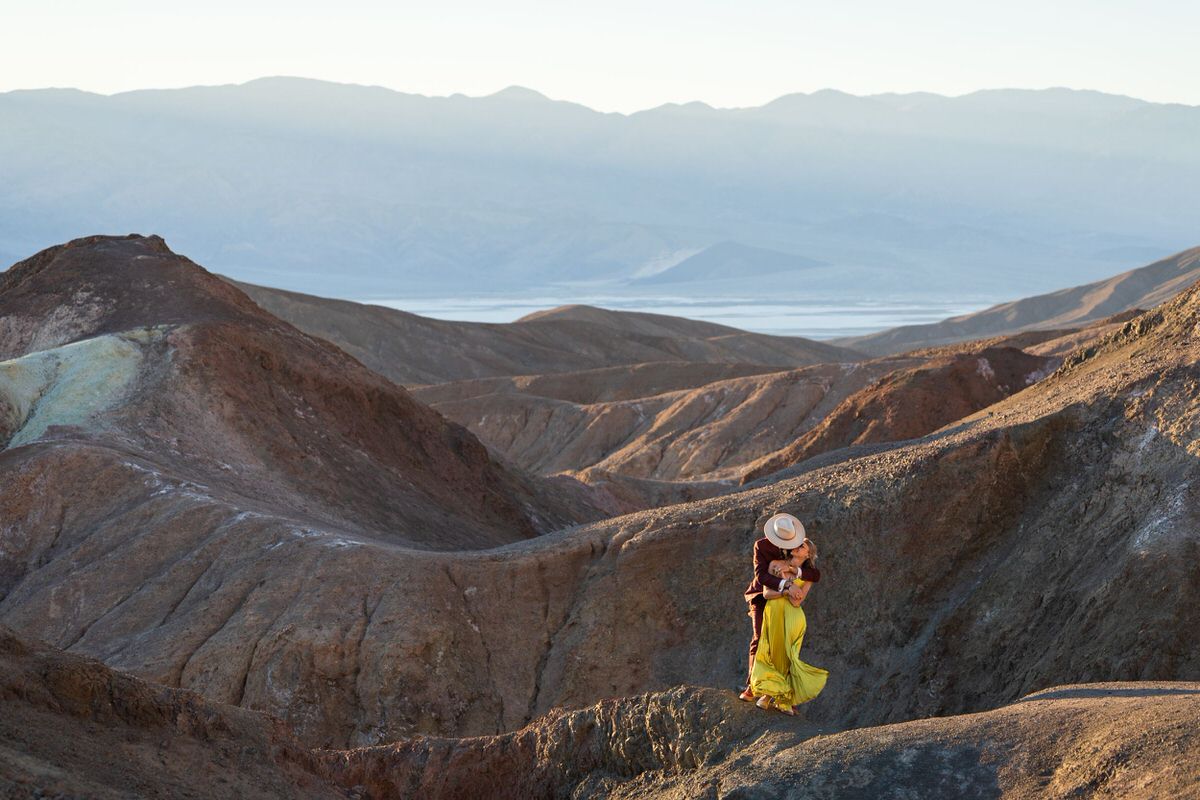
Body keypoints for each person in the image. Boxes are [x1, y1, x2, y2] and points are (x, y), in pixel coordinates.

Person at [739, 512, 822, 703]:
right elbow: (761, 576)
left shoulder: (795, 543)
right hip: (762, 595)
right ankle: (752, 686)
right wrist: (787, 586)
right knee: (760, 637)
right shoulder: (762, 546)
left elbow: (815, 574)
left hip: (786, 604)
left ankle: (782, 694)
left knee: (784, 647)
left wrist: (797, 571)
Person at [750, 537, 828, 714]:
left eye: (802, 546)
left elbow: (797, 602)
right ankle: (767, 694)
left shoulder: (808, 574)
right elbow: (767, 594)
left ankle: (783, 699)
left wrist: (793, 585)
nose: (797, 546)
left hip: (793, 617)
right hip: (773, 613)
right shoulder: (775, 564)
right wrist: (786, 590)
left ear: (808, 554)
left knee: (787, 655)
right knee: (770, 650)